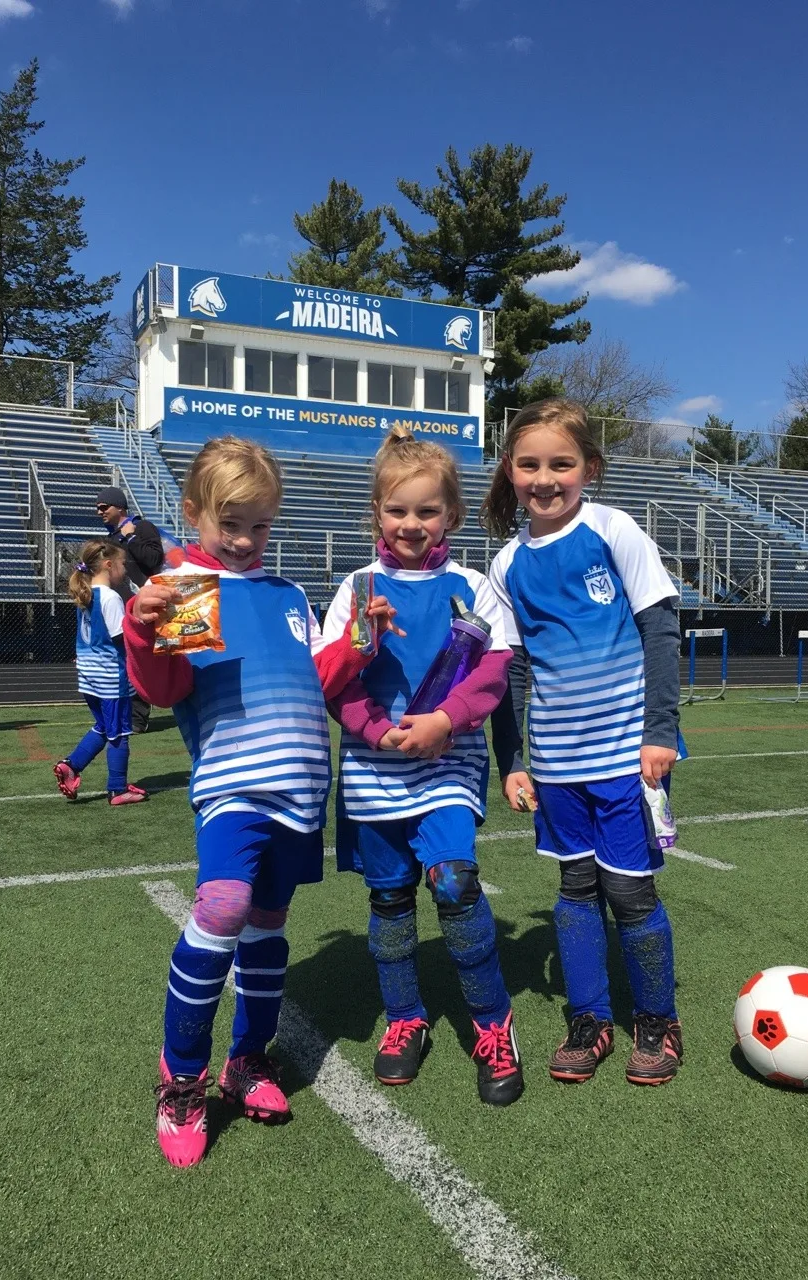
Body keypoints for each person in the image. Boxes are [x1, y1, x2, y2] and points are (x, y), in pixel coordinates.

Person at [123, 434, 400, 1166]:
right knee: (221, 908)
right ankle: (181, 1078)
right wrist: (142, 634)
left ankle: (248, 1059)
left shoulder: (285, 595)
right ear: (193, 512)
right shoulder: (184, 584)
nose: (246, 539)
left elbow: (318, 676)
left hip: (301, 791)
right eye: (231, 523)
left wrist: (361, 644)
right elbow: (163, 690)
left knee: (267, 927)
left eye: (260, 524)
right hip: (233, 787)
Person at [322, 426, 523, 1108]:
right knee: (390, 900)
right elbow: (333, 682)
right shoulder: (355, 588)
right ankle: (405, 1018)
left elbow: (496, 673)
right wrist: (375, 732)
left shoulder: (473, 586)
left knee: (457, 885)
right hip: (375, 770)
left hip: (449, 763)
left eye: (427, 511)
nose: (412, 523)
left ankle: (494, 1025)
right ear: (376, 513)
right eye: (398, 510)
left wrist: (445, 720)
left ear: (453, 516)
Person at [484, 398, 684, 1087]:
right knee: (574, 890)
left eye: (561, 464)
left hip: (627, 756)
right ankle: (590, 1020)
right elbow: (510, 673)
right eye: (530, 463)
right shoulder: (506, 566)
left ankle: (658, 1019)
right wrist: (511, 761)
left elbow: (661, 630)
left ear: (589, 469)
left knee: (629, 895)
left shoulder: (612, 528)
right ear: (510, 470)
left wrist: (661, 732)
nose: (545, 478)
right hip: (558, 765)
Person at [53, 539, 148, 806]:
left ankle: (71, 766)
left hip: (89, 675)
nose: (125, 570)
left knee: (104, 727)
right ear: (108, 565)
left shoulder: (86, 593)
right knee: (118, 733)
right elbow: (121, 638)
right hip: (110, 677)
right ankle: (117, 789)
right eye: (122, 564)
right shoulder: (111, 597)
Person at [95, 486, 164, 733]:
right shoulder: (110, 539)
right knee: (122, 661)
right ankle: (125, 713)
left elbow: (155, 561)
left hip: (144, 608)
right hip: (118, 608)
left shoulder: (142, 527)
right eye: (97, 507)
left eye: (105, 507)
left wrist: (131, 538)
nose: (99, 511)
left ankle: (139, 716)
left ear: (120, 507)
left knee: (141, 661)